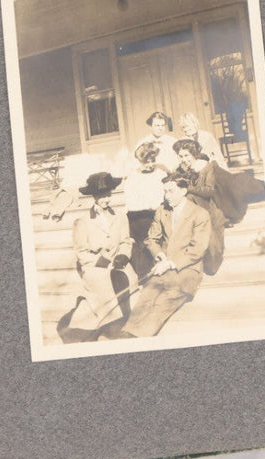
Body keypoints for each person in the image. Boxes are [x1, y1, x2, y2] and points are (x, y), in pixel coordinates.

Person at [118, 174, 212, 337]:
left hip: (188, 269)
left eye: (171, 191)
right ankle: (126, 333)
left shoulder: (200, 214)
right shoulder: (162, 211)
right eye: (165, 192)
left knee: (164, 301)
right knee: (146, 295)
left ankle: (138, 337)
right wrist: (159, 254)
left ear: (183, 191)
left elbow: (198, 249)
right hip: (163, 266)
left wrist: (170, 263)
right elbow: (150, 239)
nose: (167, 196)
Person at [56, 172, 135, 342]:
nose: (106, 199)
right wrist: (102, 263)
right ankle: (112, 324)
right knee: (102, 281)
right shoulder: (82, 221)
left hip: (118, 262)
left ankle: (125, 320)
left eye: (108, 195)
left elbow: (126, 241)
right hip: (94, 266)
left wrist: (123, 254)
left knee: (130, 278)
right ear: (94, 197)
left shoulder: (120, 217)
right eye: (102, 195)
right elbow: (81, 252)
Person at [172, 138, 265, 276]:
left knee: (240, 186)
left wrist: (188, 187)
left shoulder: (205, 167)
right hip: (197, 206)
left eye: (186, 155)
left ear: (194, 155)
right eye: (180, 156)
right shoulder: (180, 170)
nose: (183, 159)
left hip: (217, 199)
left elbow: (209, 191)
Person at [123, 141, 167, 276]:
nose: (149, 164)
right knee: (142, 244)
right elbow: (130, 203)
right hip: (140, 217)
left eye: (152, 161)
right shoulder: (133, 177)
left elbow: (166, 195)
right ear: (140, 161)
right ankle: (145, 276)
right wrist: (148, 205)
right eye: (146, 162)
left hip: (159, 214)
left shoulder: (161, 174)